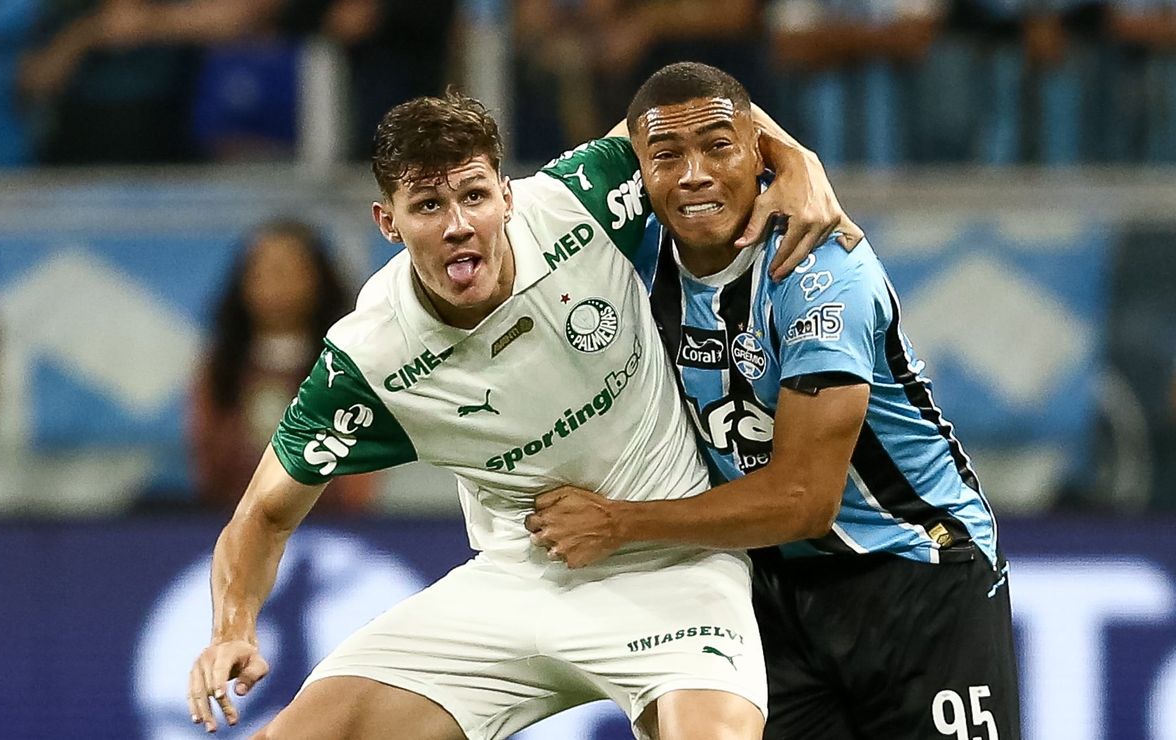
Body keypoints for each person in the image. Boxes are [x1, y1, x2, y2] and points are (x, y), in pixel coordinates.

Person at [186, 90, 850, 738]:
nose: (457, 225)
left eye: (474, 195)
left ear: (506, 195)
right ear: (388, 222)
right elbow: (263, 513)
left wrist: (796, 161)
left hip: (676, 569)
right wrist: (231, 631)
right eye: (427, 205)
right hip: (519, 578)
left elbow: (691, 99)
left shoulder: (578, 203)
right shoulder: (371, 360)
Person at [527, 62, 1021, 739]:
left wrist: (619, 524)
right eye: (667, 158)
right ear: (638, 173)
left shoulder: (821, 266)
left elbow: (804, 500)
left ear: (754, 151)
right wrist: (796, 154)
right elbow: (570, 181)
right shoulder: (630, 254)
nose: (694, 174)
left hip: (913, 566)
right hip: (767, 582)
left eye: (719, 148)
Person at [187, 219, 379, 513]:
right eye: (262, 271)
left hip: (329, 524)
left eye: (287, 270)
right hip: (233, 520)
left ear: (317, 279)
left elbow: (360, 469)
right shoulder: (219, 369)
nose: (275, 284)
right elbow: (208, 466)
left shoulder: (346, 367)